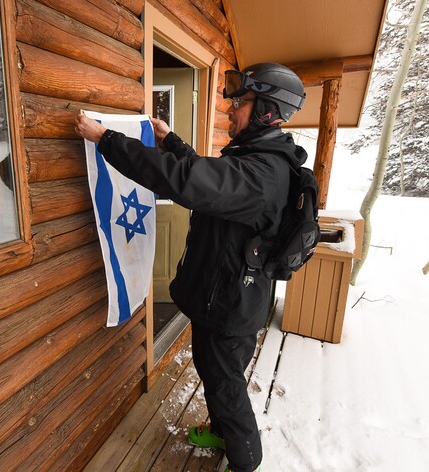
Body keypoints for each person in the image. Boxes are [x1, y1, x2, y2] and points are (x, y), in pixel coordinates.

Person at [75, 62, 307, 472]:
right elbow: (212, 181)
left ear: (267, 111)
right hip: (229, 296)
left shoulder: (263, 172)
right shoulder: (260, 161)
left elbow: (190, 182)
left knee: (226, 386)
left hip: (230, 305)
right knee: (219, 378)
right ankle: (223, 431)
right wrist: (174, 143)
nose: (230, 109)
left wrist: (107, 140)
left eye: (240, 102)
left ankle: (244, 461)